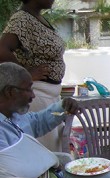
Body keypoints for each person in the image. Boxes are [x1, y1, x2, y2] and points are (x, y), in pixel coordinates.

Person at [0, 0, 67, 151]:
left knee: (54, 149)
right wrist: (25, 72)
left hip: (50, 95)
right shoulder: (22, 19)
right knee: (44, 151)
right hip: (37, 94)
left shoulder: (37, 18)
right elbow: (2, 50)